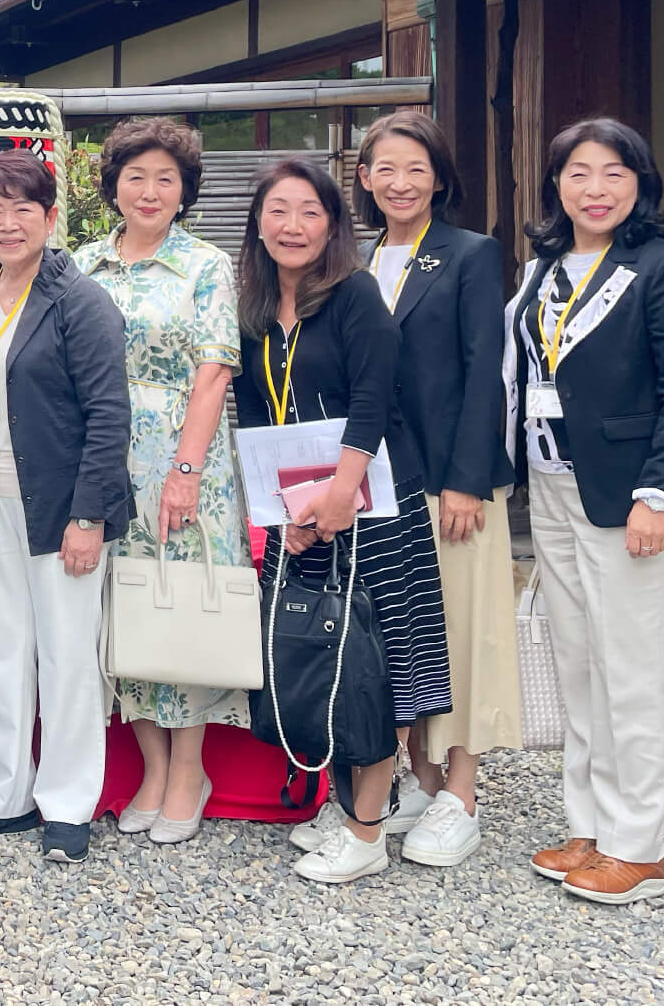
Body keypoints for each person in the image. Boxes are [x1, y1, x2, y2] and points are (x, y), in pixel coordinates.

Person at [233, 156, 451, 885]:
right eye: (278, 210)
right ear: (257, 222)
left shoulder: (355, 293)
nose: (292, 225)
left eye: (310, 212)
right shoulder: (255, 306)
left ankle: (367, 831)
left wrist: (340, 490)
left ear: (332, 226)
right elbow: (256, 414)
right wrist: (280, 516)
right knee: (315, 655)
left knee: (369, 665)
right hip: (297, 511)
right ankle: (345, 802)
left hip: (372, 504)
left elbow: (374, 396)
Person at [508, 118, 664, 906]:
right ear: (556, 184)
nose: (595, 189)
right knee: (579, 662)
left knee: (630, 668)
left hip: (630, 495)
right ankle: (590, 826)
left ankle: (639, 847)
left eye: (613, 173)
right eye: (578, 173)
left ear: (640, 183)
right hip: (554, 485)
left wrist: (659, 492)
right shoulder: (542, 270)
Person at [0, 150, 131, 865]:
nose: (7, 222)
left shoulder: (80, 301)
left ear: (51, 218)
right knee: (1, 650)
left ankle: (68, 802)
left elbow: (109, 416)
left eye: (22, 208)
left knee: (66, 655)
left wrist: (89, 517)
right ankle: (4, 793)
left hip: (60, 506)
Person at [350, 112, 521, 869]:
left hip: (450, 482)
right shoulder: (357, 261)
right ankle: (419, 779)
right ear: (364, 178)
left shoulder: (469, 254)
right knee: (405, 633)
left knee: (463, 629)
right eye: (385, 168)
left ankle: (463, 792)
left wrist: (467, 480)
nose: (401, 183)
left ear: (440, 177)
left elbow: (487, 372)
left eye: (416, 168)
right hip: (383, 479)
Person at [73, 119, 246, 847]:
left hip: (181, 453)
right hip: (100, 455)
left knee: (181, 604)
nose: (149, 191)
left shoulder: (205, 264)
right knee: (122, 608)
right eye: (135, 177)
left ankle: (188, 771)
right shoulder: (82, 265)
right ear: (113, 186)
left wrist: (184, 471)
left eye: (165, 179)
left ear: (184, 192)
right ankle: (151, 765)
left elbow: (214, 372)